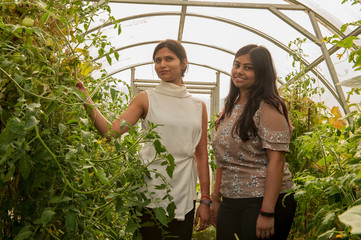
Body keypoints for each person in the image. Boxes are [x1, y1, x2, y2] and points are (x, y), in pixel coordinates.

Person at [76, 39, 211, 239]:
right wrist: (85, 96)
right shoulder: (146, 98)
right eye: (157, 60)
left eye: (168, 59)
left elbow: (201, 155)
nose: (162, 64)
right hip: (149, 192)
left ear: (184, 63)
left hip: (184, 192)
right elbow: (111, 132)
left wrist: (205, 201)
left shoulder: (198, 106)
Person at [210, 44, 296, 240]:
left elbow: (277, 161)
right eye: (237, 65)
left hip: (262, 200)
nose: (239, 71)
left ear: (261, 73)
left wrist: (267, 212)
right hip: (231, 198)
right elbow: (223, 161)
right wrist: (216, 199)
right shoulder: (230, 107)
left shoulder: (268, 107)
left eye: (248, 67)